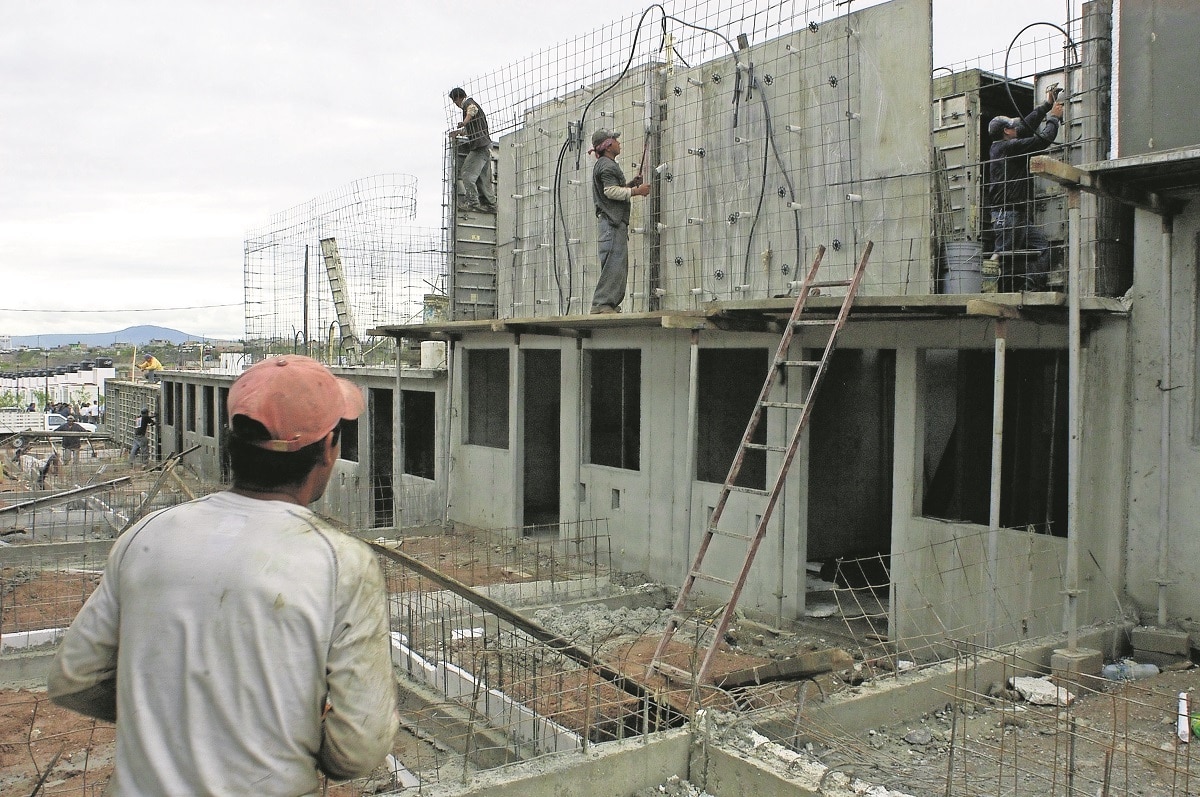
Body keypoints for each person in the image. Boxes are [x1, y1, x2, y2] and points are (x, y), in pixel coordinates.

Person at [48, 354, 399, 795]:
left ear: (233, 442)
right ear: (329, 449)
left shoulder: (149, 537)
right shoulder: (340, 563)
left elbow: (73, 677)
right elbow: (360, 750)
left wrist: (170, 716)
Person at [986, 87, 1064, 291]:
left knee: (1043, 249)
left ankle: (1031, 285)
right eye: (1013, 127)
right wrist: (1054, 118)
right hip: (1008, 215)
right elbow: (1043, 140)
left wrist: (1046, 106)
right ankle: (988, 291)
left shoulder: (1003, 145)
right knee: (1002, 256)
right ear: (1006, 132)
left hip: (1015, 215)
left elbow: (1026, 126)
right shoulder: (1007, 148)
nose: (1017, 128)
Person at [590, 129, 651, 314]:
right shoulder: (607, 166)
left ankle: (608, 304)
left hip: (612, 223)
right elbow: (610, 192)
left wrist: (631, 184)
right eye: (615, 140)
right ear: (608, 146)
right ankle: (602, 304)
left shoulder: (605, 164)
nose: (619, 143)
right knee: (613, 264)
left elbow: (613, 190)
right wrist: (636, 191)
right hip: (612, 223)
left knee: (616, 264)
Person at [447, 87, 497, 213]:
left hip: (480, 147)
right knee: (482, 178)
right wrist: (459, 132)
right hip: (486, 146)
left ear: (457, 99)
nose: (456, 105)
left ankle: (472, 203)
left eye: (455, 102)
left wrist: (464, 122)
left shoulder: (469, 103)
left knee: (467, 174)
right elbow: (471, 130)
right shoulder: (471, 108)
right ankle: (490, 205)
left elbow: (472, 110)